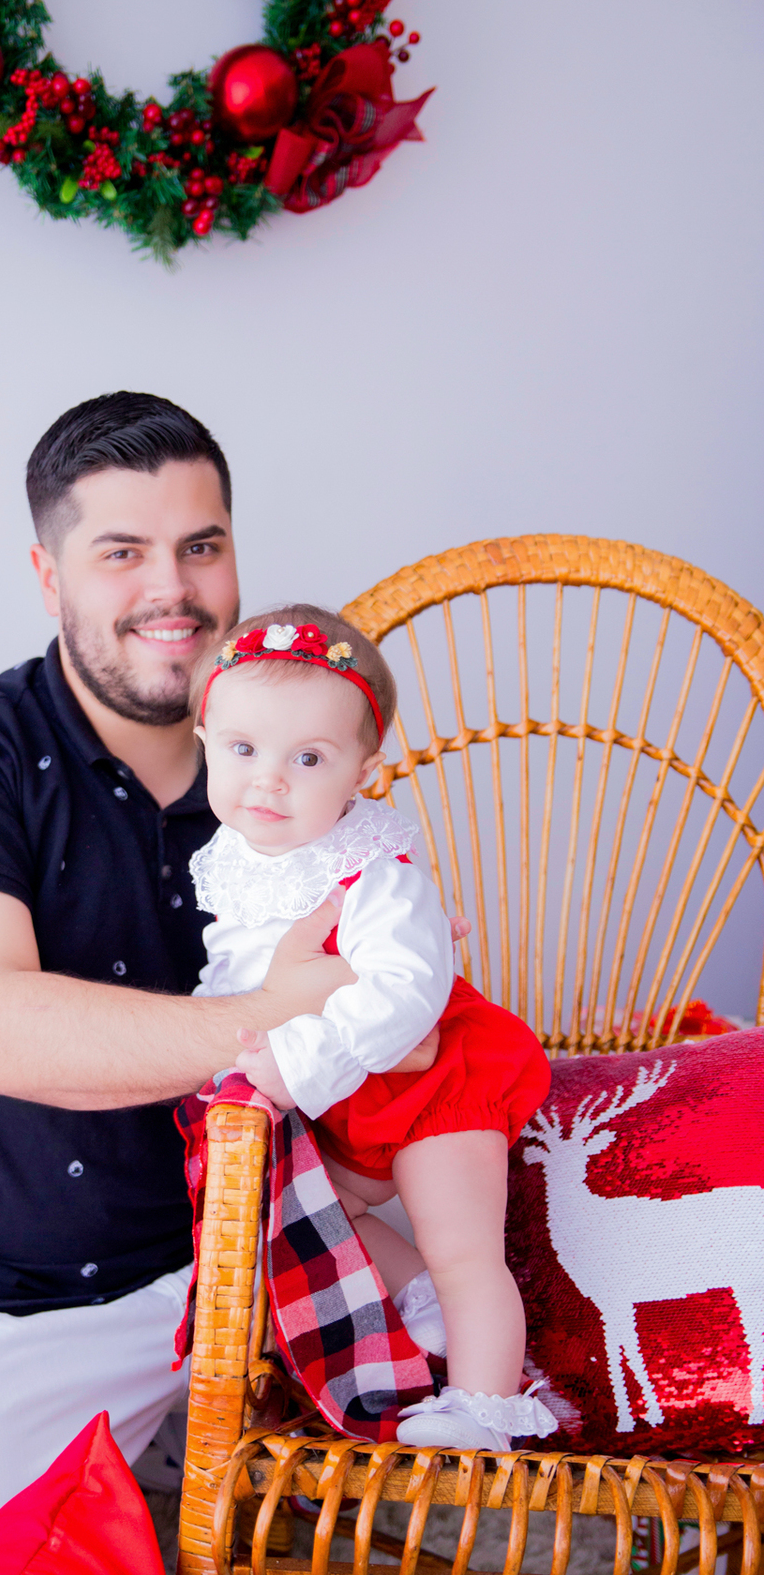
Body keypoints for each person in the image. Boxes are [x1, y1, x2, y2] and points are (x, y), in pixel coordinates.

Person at [0, 393, 367, 1523]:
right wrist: (283, 1008)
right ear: (49, 577)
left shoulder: (283, 771)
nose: (173, 589)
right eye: (122, 553)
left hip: (224, 1281)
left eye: (200, 547)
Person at [191, 603, 559, 1452]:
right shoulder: (235, 864)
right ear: (205, 741)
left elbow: (405, 991)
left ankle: (484, 1408)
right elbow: (235, 978)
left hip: (434, 1078)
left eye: (307, 759)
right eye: (243, 750)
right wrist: (225, 1052)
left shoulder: (374, 871)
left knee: (464, 1246)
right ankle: (422, 1298)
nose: (269, 781)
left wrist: (300, 1058)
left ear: (363, 771)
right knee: (319, 1218)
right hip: (345, 1098)